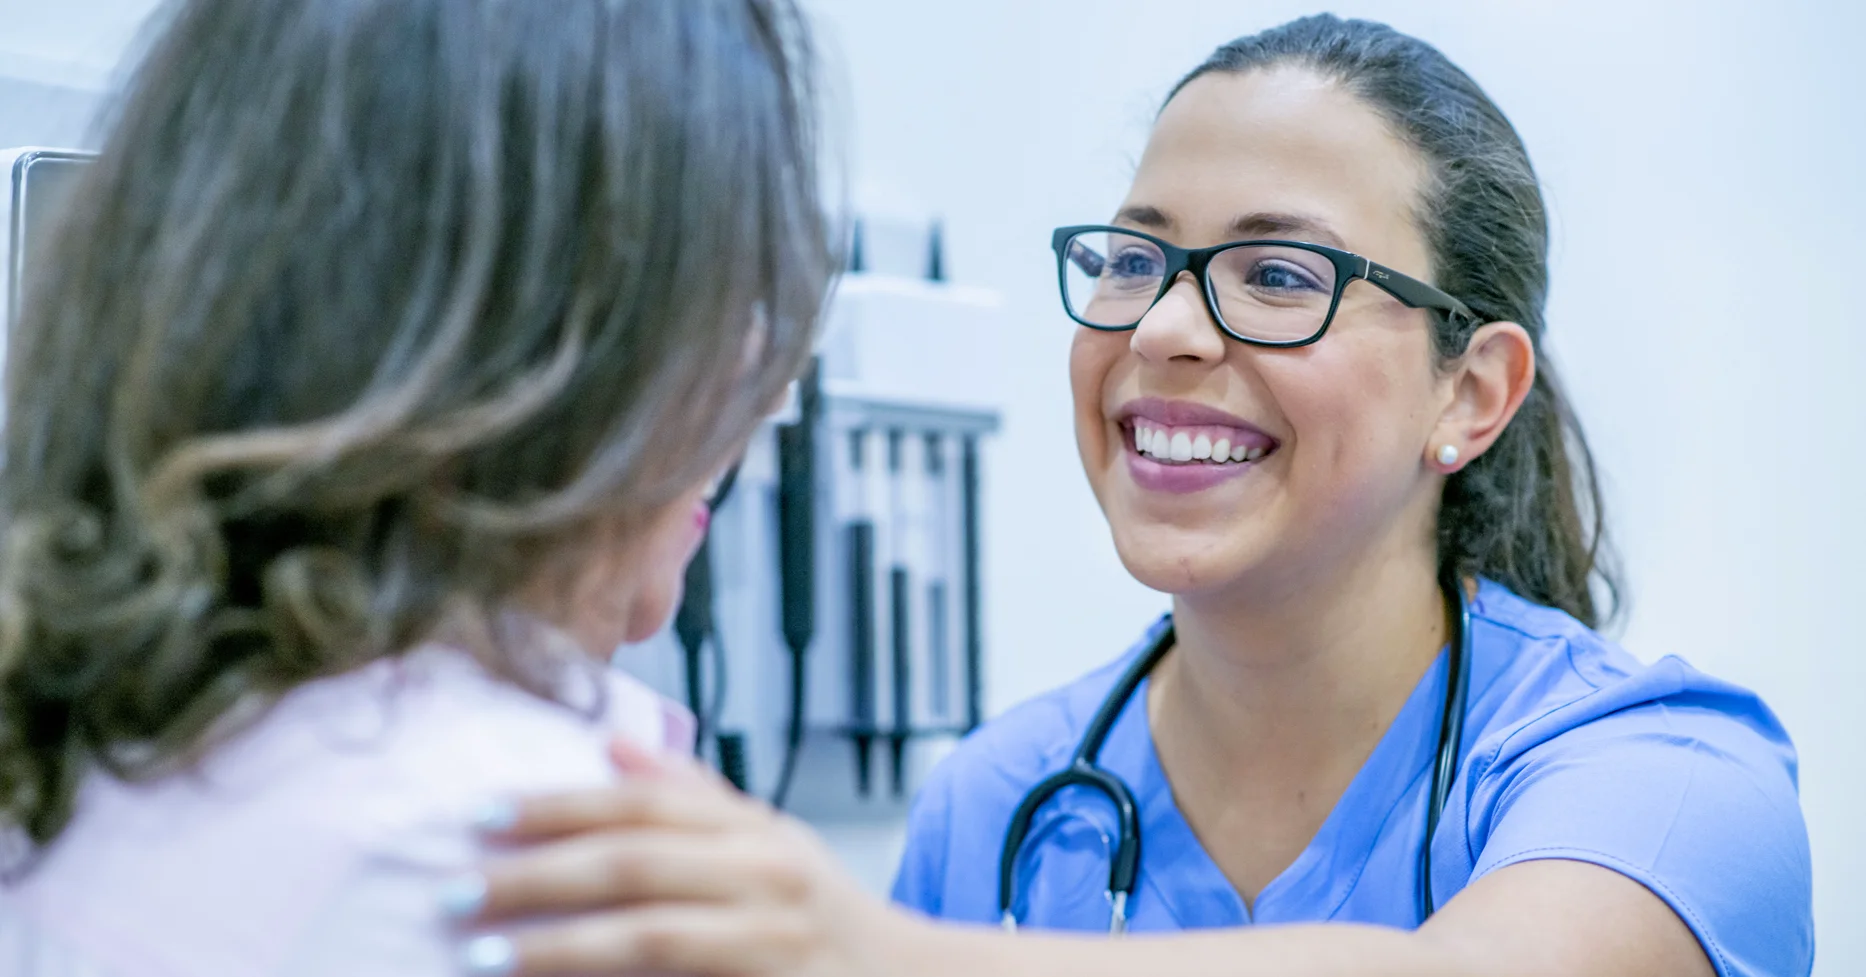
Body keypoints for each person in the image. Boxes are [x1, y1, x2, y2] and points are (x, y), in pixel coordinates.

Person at [436, 14, 1814, 977]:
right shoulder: (1002, 801)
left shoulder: (1668, 776)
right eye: (1132, 260)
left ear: (1472, 392)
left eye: (1279, 276)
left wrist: (876, 955)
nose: (1164, 329)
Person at [0, 0, 828, 973]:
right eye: (732, 300)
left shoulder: (86, 761)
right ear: (549, 346)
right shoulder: (544, 855)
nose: (763, 385)